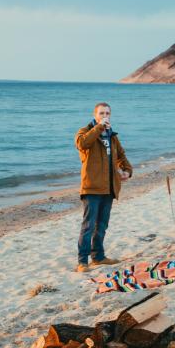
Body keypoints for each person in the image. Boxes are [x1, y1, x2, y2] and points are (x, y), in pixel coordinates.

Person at [74, 102, 133, 272]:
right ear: (95, 115)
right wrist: (99, 128)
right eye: (101, 113)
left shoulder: (112, 136)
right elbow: (82, 144)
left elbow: (121, 155)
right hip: (91, 187)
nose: (105, 116)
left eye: (107, 113)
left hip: (109, 187)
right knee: (88, 226)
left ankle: (98, 257)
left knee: (102, 225)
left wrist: (128, 171)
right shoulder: (84, 132)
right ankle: (82, 262)